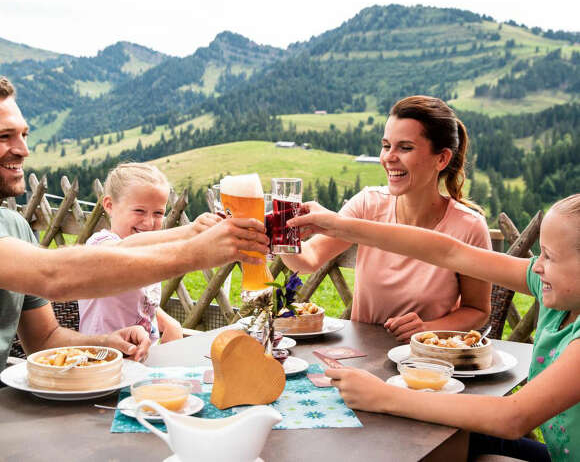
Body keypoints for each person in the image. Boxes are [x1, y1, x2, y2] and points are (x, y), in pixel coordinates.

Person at [0, 76, 269, 372]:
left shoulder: (15, 226)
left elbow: (44, 339)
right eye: (4, 136)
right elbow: (55, 275)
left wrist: (103, 343)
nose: (23, 149)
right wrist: (195, 248)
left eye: (24, 134)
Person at [288, 195, 580, 461]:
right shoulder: (555, 292)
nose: (536, 266)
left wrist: (384, 397)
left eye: (549, 257)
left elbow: (513, 417)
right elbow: (448, 252)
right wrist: (339, 226)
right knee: (452, 438)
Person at [282, 96, 491, 340]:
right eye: (385, 145)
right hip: (359, 358)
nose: (389, 157)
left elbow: (477, 310)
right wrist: (281, 234)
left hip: (426, 364)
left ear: (442, 158)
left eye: (405, 148)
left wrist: (427, 329)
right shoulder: (367, 203)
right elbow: (307, 260)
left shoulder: (469, 226)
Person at [79, 163, 216, 343]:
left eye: (158, 213)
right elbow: (121, 253)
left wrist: (166, 322)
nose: (149, 222)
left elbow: (139, 300)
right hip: (102, 358)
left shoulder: (148, 250)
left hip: (143, 358)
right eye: (139, 211)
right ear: (110, 205)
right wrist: (188, 231)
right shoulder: (100, 244)